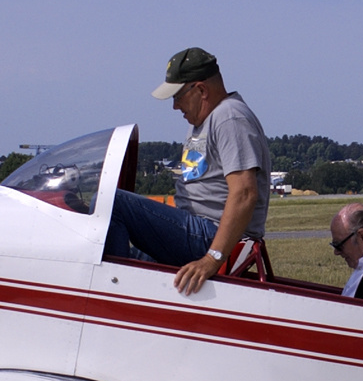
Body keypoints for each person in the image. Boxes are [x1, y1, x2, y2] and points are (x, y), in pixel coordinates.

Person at [105, 47, 272, 295]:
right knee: (135, 257)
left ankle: (112, 296)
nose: (175, 106)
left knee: (113, 203)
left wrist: (212, 258)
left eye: (178, 96)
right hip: (199, 229)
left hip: (211, 234)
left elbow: (245, 193)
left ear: (201, 90)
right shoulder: (205, 119)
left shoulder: (229, 117)